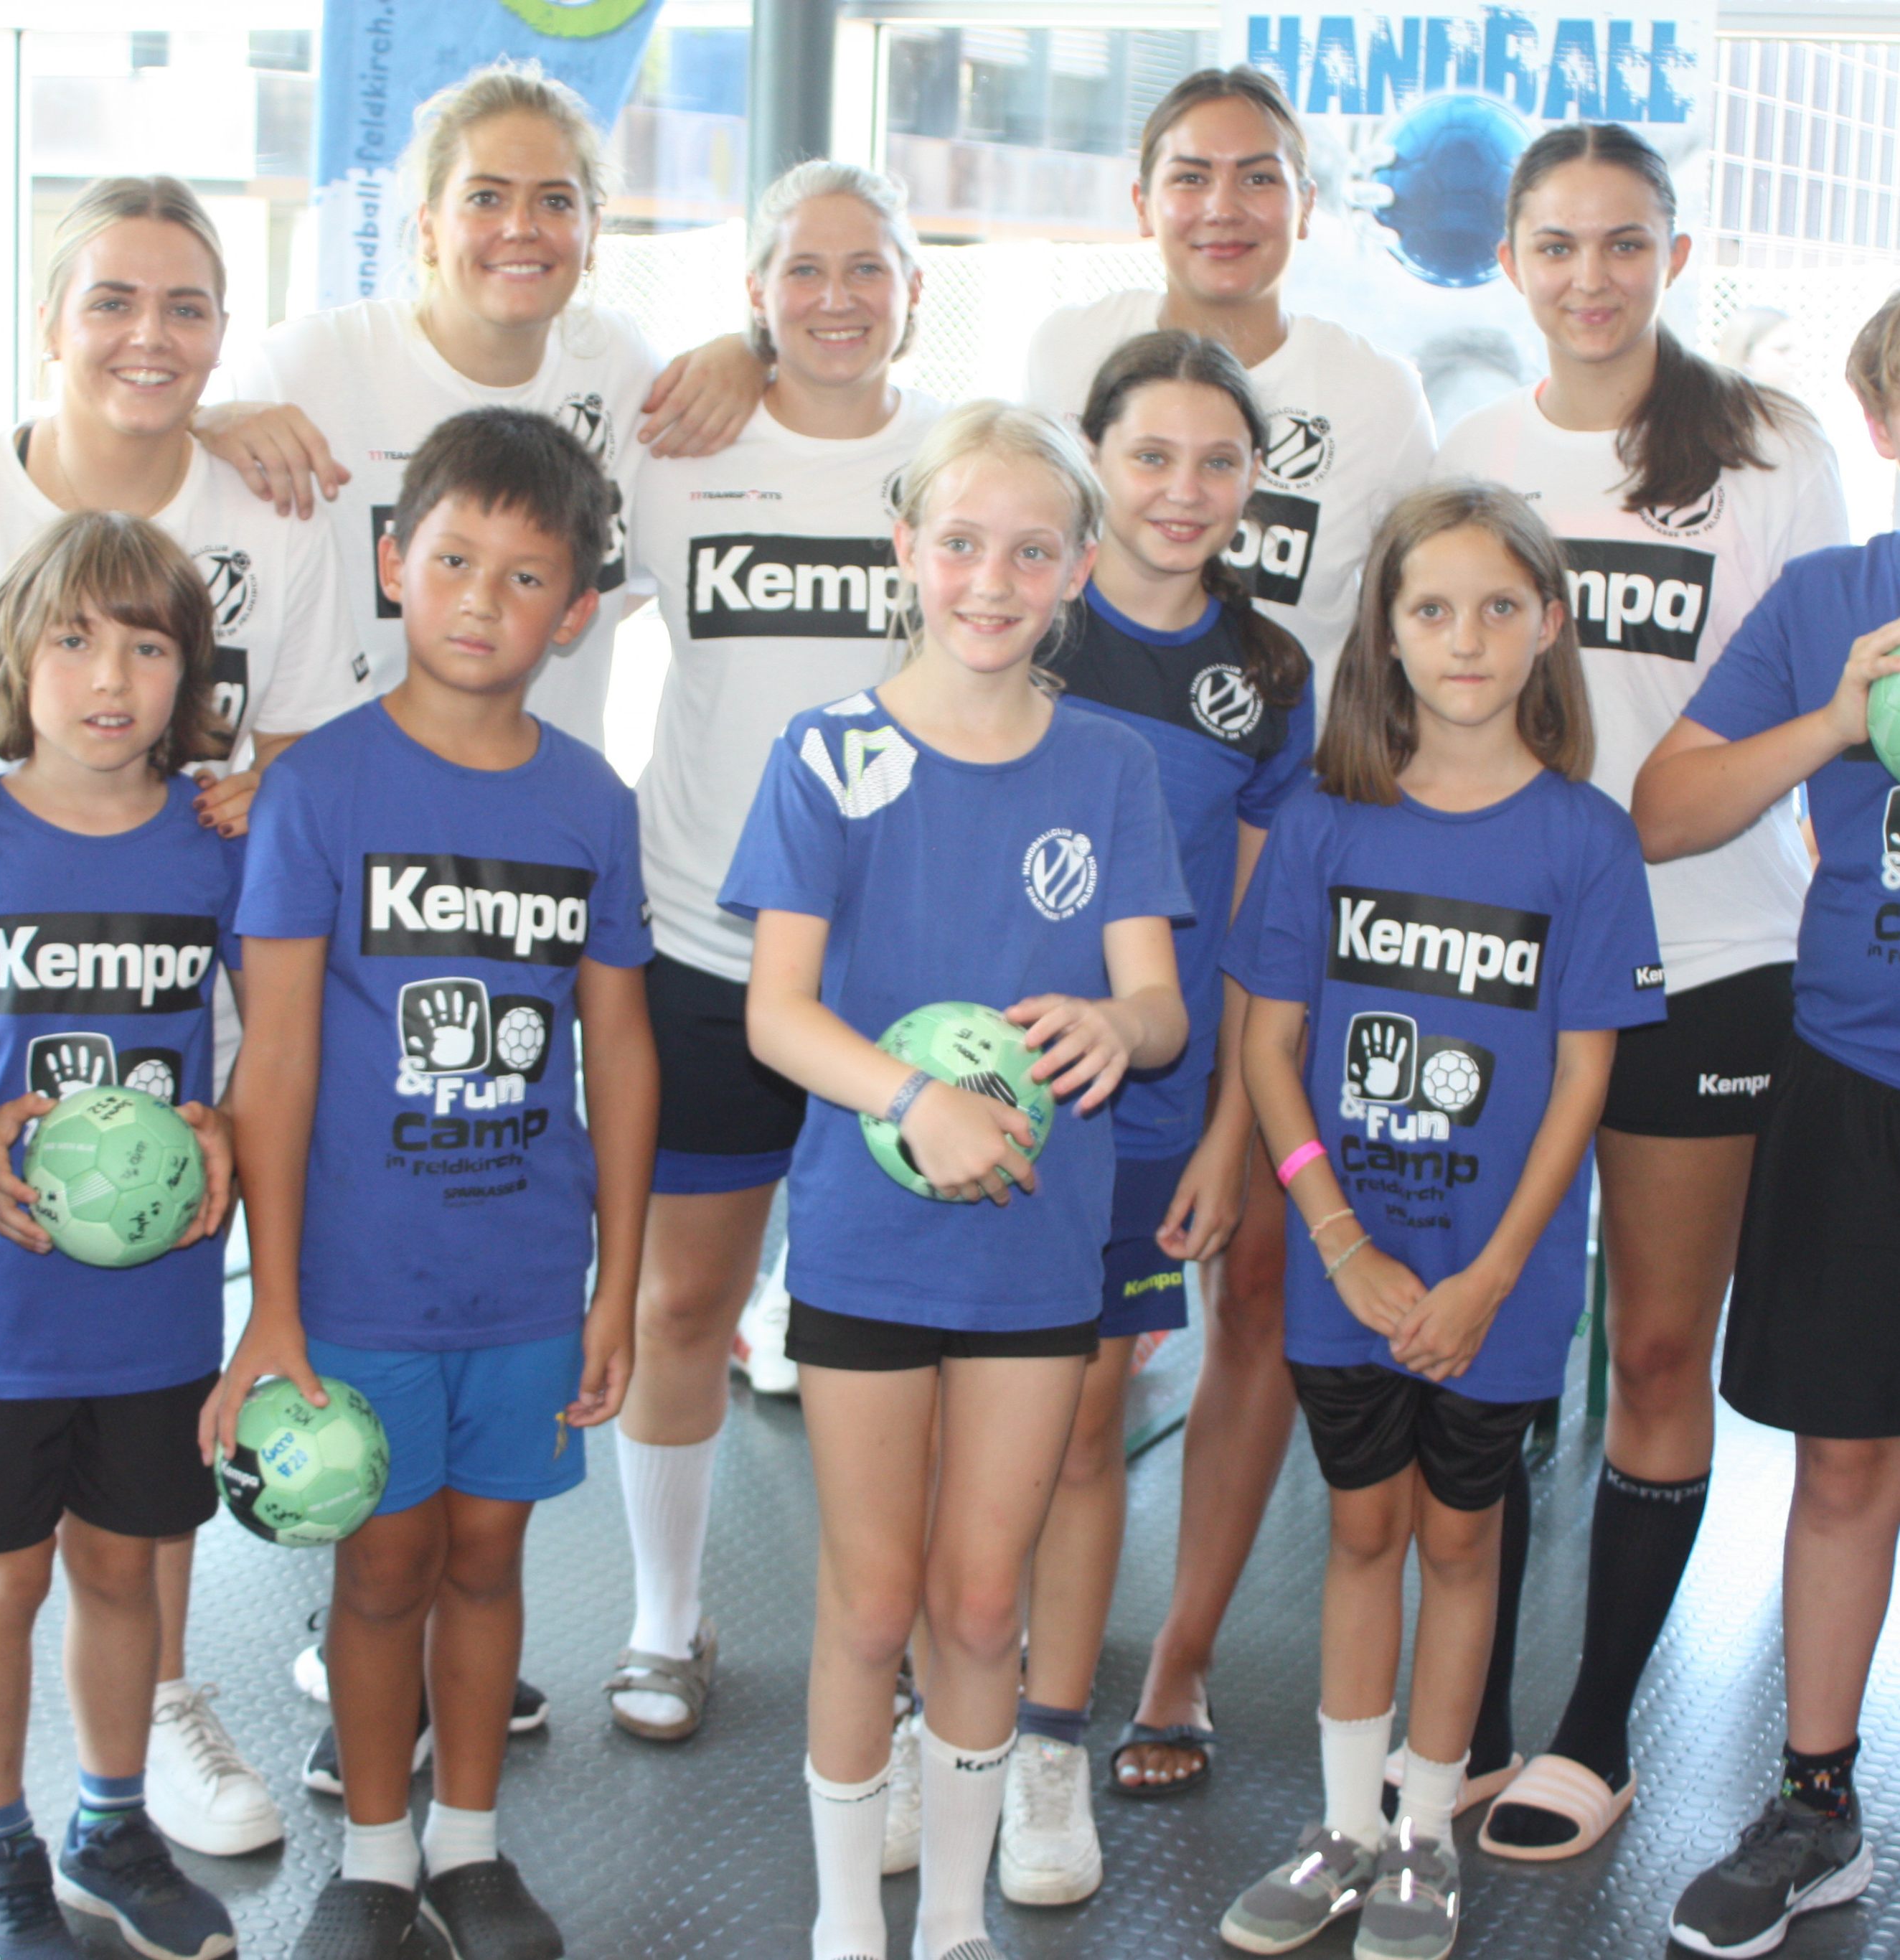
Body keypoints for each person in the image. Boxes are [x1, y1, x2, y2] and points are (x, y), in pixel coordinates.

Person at [720, 397, 1188, 1960]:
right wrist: (915, 1099)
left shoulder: (1111, 768)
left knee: (985, 1607)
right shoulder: (827, 755)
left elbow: (1162, 1006)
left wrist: (1115, 1024)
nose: (993, 578)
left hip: (1038, 1257)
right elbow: (777, 1012)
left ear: (1077, 570)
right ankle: (852, 1921)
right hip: (864, 1244)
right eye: (963, 542)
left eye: (1032, 550)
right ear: (906, 549)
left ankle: (958, 1928)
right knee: (870, 1601)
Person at [0, 170, 372, 1860]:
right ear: (43, 318)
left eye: (188, 305)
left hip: (162, 1230)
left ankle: (128, 1780)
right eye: (111, 299)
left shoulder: (268, 496)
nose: (150, 335)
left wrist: (249, 797)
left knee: (129, 1535)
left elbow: (309, 753)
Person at [1439, 123, 1851, 1860]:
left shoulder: (1766, 448)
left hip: (1715, 959)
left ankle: (1595, 1729)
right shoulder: (1475, 448)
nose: (1590, 277)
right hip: (1511, 973)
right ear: (1511, 263)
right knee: (1504, 1349)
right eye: (1556, 245)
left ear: (1676, 256)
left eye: (1624, 243)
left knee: (1661, 1345)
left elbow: (1825, 713)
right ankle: (1461, 1719)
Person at [1022, 65, 1437, 1792]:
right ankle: (998, 1663)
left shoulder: (1369, 395)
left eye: (1257, 176)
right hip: (1036, 1022)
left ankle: (1171, 1661)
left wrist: (1227, 1107)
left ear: (1305, 203)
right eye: (1188, 173)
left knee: (1243, 1298)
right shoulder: (1057, 390)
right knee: (1058, 1370)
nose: (1221, 203)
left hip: (1269, 932)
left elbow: (1421, 617)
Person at [203, 408, 657, 1960]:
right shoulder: (320, 788)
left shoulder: (593, 803)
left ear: (576, 612)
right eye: (452, 559)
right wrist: (272, 1306)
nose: (480, 598)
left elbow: (621, 1048)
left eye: (525, 576)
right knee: (383, 1567)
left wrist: (621, 1286)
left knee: (487, 1560)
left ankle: (469, 1846)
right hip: (357, 1282)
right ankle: (378, 1857)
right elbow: (272, 1057)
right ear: (394, 565)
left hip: (528, 1280)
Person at [1218, 482, 1662, 1959]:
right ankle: (1346, 1827)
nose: (1463, 638)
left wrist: (1486, 1275)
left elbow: (1584, 1082)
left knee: (1461, 1548)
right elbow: (1271, 1052)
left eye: (1494, 607)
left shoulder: (1587, 843)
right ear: (1386, 635)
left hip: (1501, 1287)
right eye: (1429, 609)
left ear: (1547, 625)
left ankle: (1422, 1841)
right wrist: (1341, 1244)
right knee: (1359, 1536)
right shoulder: (1322, 822)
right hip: (1350, 1270)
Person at [605, 159, 941, 1747]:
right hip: (703, 944)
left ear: (911, 295)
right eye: (799, 270)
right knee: (686, 1309)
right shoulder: (683, 446)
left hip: (900, 966)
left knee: (914, 1325)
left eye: (864, 268)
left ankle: (937, 1618)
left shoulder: (952, 464)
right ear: (754, 291)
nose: (832, 298)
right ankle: (666, 1621)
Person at [997, 329, 1312, 1903]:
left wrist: (1224, 1139)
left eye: (1218, 462)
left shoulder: (1267, 677)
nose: (1182, 491)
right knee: (980, 1412)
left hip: (1150, 1113)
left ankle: (1079, 1719)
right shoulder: (1019, 620)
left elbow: (1257, 945)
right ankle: (964, 1685)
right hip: (986, 1106)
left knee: (1090, 1416)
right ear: (1095, 459)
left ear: (1254, 484)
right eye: (1149, 457)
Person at [1635, 293, 1900, 1959]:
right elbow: (1665, 807)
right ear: (1883, 423)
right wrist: (1833, 719)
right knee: (1844, 1453)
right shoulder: (1828, 602)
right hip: (1859, 1072)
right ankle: (1817, 1803)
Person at [0, 510, 243, 1960]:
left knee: (123, 1569)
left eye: (146, 643)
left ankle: (110, 1822)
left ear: (189, 676)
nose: (108, 674)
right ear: (12, 652)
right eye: (71, 639)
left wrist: (230, 1131)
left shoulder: (212, 843)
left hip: (160, 1298)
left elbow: (289, 1026)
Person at [199, 57, 767, 753]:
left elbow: (641, 577)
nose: (521, 227)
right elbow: (144, 469)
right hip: (350, 816)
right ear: (429, 226)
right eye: (486, 198)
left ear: (592, 234)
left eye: (555, 201)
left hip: (536, 828)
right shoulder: (308, 366)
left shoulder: (617, 363)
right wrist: (205, 422)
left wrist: (757, 353)